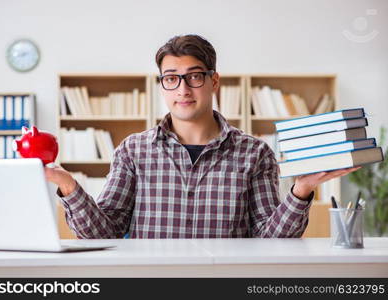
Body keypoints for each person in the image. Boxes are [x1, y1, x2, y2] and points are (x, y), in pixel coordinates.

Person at [45, 34, 359, 239]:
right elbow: (105, 233)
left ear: (214, 81)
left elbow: (270, 240)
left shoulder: (255, 153)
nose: (182, 89)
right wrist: (68, 186)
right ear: (162, 86)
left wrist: (302, 190)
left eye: (194, 76)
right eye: (171, 79)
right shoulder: (133, 151)